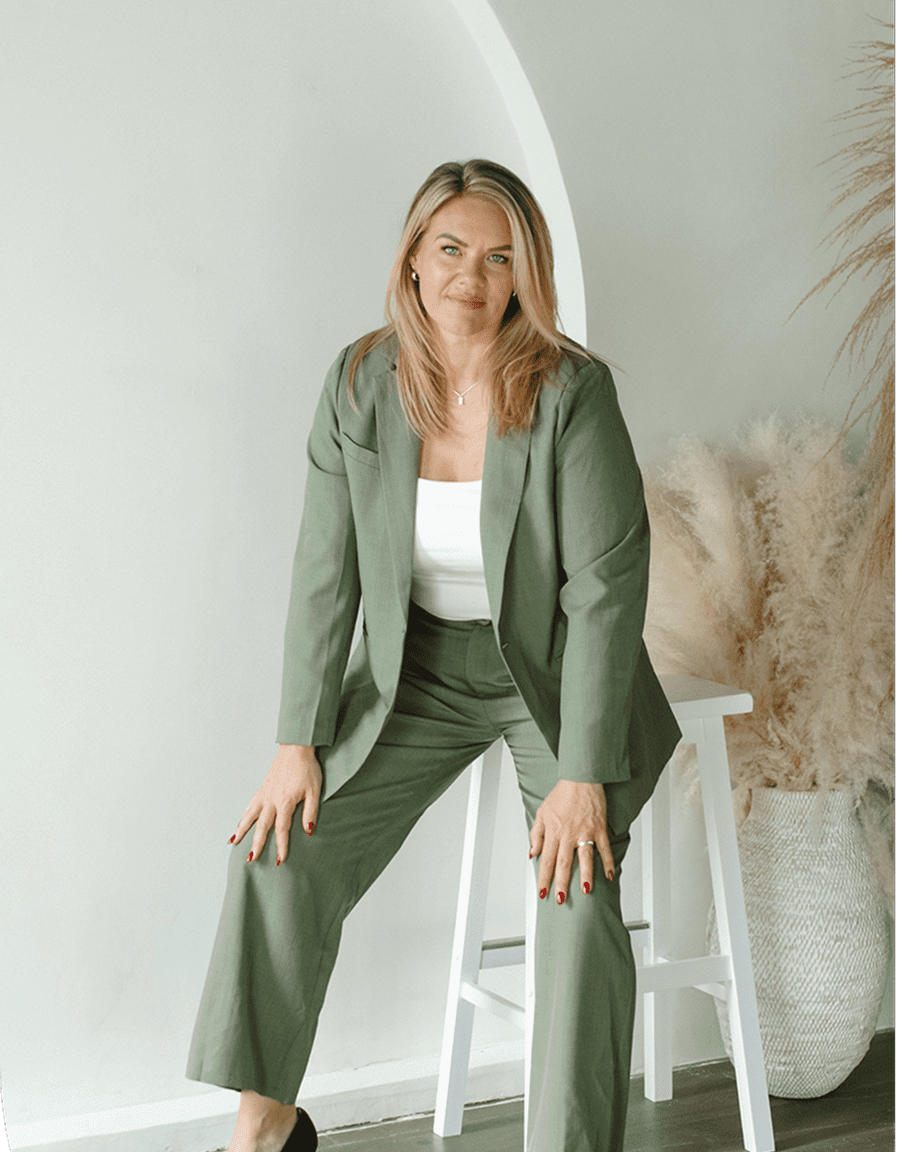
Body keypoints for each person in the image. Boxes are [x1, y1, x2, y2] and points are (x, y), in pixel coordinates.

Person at [186, 158, 681, 1152]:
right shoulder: (360, 384)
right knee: (278, 852)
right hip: (417, 673)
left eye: (499, 257)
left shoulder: (570, 392)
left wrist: (580, 772)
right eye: (450, 248)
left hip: (553, 678)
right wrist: (297, 742)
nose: (472, 274)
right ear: (411, 259)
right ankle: (264, 1129)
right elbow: (322, 576)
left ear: (522, 274)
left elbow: (604, 592)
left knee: (576, 894)